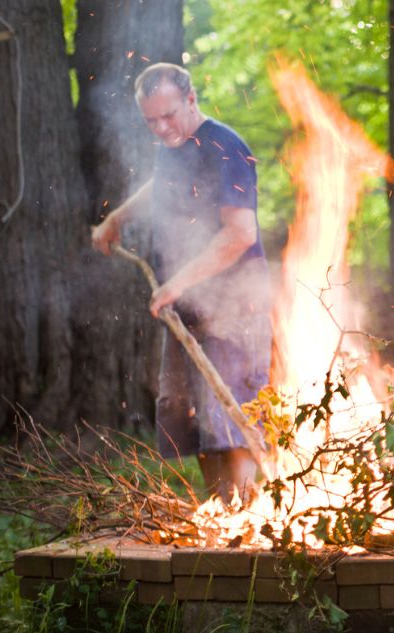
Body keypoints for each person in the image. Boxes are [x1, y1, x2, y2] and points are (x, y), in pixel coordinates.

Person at [91, 62, 270, 504]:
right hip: (186, 302)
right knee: (191, 418)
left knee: (230, 417)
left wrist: (178, 283)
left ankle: (246, 516)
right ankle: (220, 516)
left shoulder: (227, 147)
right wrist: (118, 217)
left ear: (191, 99)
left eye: (168, 115)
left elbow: (240, 234)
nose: (161, 128)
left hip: (234, 305)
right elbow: (161, 185)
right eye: (150, 120)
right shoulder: (172, 145)